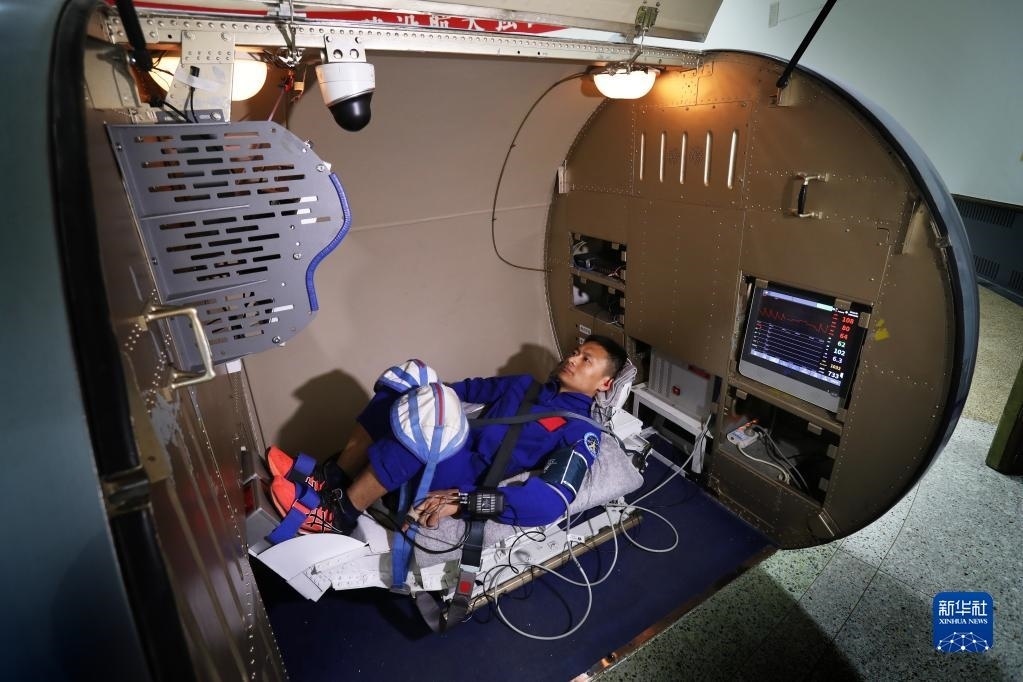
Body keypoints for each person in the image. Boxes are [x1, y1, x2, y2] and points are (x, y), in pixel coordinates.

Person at [270, 335, 628, 536]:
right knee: (413, 376)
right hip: (448, 445)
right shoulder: (522, 385)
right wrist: (418, 395)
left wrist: (466, 501)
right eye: (575, 352)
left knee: (432, 419)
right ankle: (333, 478)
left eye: (586, 360)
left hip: (462, 475)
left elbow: (550, 502)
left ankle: (338, 516)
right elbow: (453, 389)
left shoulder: (581, 431)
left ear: (605, 383)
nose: (572, 359)